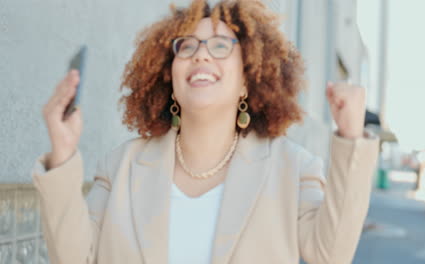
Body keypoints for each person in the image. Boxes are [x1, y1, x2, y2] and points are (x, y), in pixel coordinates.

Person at [32, 0, 379, 263]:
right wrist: (62, 154)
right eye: (187, 46)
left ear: (248, 78)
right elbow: (75, 257)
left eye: (220, 45)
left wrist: (350, 139)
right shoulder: (120, 166)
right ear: (169, 76)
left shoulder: (293, 167)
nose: (201, 56)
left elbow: (329, 253)